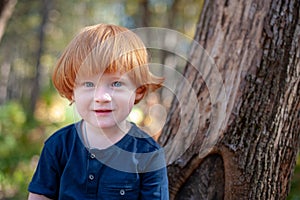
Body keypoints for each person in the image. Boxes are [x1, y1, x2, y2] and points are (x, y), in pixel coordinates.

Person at [28, 23, 169, 200]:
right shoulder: (57, 147)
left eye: (116, 83)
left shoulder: (148, 155)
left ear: (138, 90)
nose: (101, 97)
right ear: (73, 91)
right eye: (89, 84)